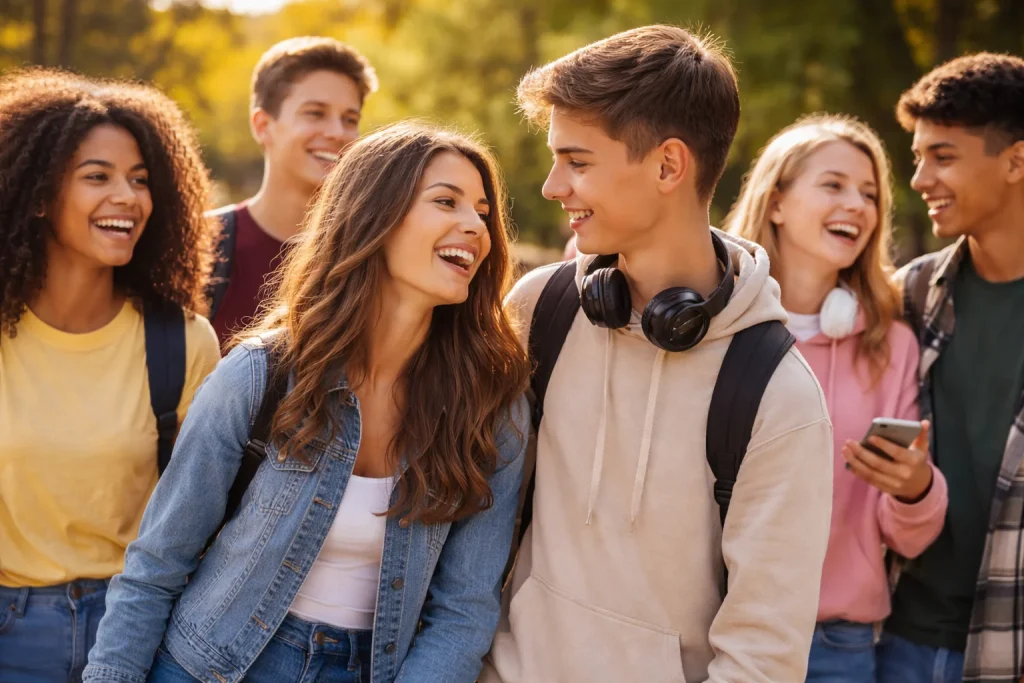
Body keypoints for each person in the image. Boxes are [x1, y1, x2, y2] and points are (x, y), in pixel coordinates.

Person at [83, 122, 531, 683]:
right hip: (206, 667)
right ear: (375, 216)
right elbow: (156, 564)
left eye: (484, 212)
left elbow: (463, 612)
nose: (475, 226)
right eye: (447, 201)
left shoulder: (492, 404)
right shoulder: (259, 374)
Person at [482, 26, 833, 683]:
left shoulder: (777, 395)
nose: (554, 185)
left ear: (669, 165)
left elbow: (763, 659)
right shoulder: (542, 309)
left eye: (577, 161)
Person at [0, 69, 221, 682]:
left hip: (138, 632)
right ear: (40, 193)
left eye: (141, 180)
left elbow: (205, 518)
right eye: (97, 176)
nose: (128, 197)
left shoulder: (182, 342)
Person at [726, 113, 948, 682]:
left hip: (837, 645)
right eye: (834, 185)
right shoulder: (718, 329)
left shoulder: (889, 346)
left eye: (870, 194)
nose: (858, 204)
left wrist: (915, 488)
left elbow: (908, 533)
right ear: (775, 201)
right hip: (719, 625)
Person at [876, 53, 1024, 683]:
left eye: (943, 156)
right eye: (917, 157)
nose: (919, 178)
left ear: (1016, 161)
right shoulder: (908, 295)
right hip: (897, 638)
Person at [207, 36, 378, 346]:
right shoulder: (201, 246)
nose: (337, 133)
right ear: (263, 126)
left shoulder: (371, 256)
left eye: (349, 119)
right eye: (315, 113)